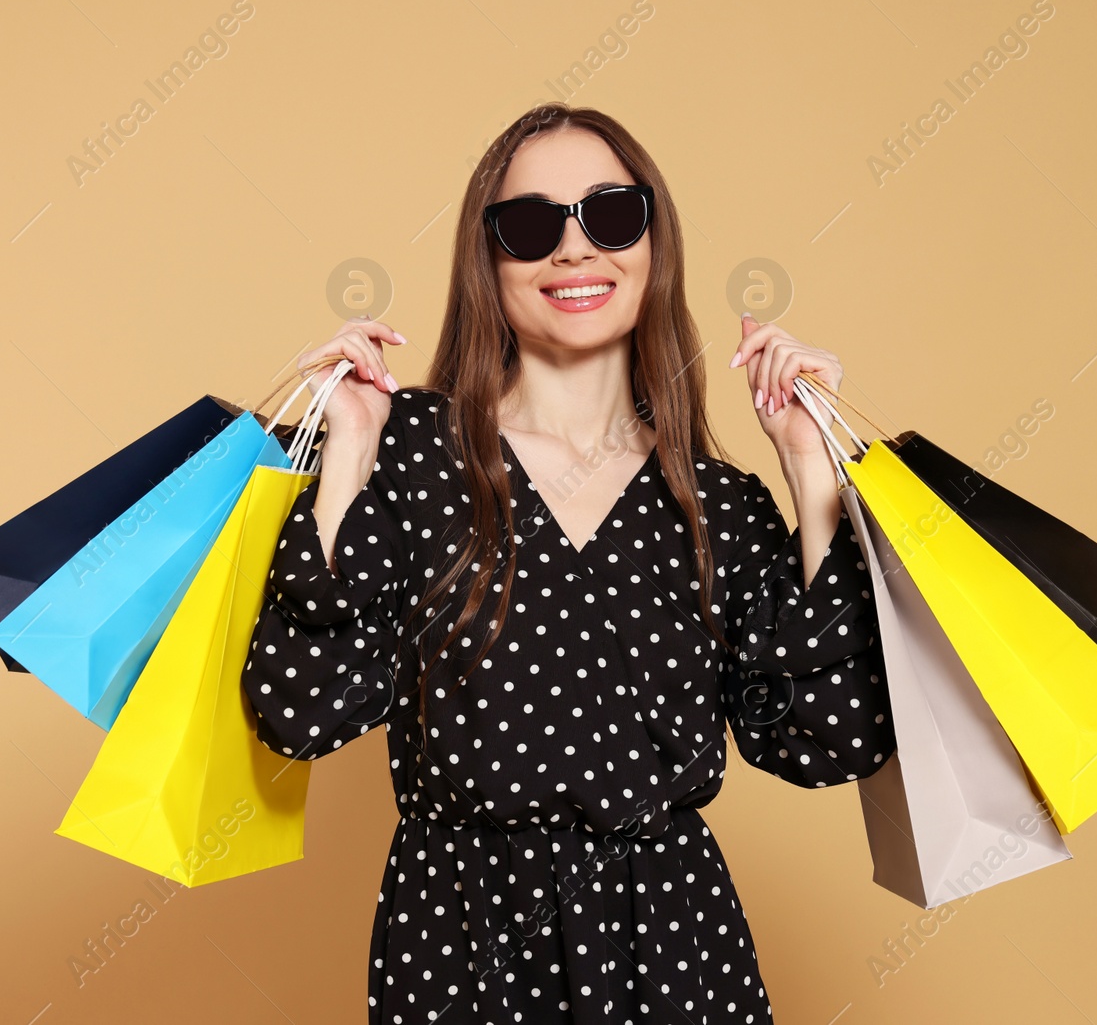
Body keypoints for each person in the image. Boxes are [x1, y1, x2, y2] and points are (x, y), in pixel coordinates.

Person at [242, 103, 894, 1024]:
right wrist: (346, 452)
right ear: (488, 259)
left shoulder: (719, 505)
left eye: (611, 214)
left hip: (674, 949)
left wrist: (808, 470)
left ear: (654, 246)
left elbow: (829, 737)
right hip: (459, 946)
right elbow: (304, 711)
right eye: (533, 225)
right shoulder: (413, 452)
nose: (575, 249)